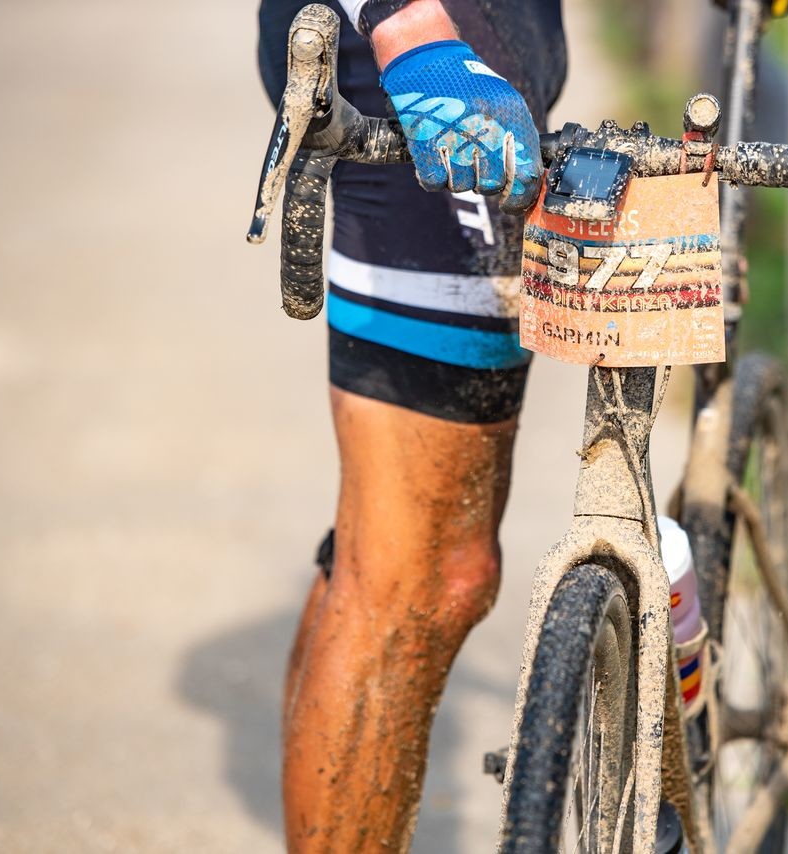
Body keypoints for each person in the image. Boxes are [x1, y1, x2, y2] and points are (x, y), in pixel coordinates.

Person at [257, 1, 562, 850]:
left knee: (398, 553)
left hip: (491, 40)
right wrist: (406, 24)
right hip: (426, 52)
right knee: (416, 579)